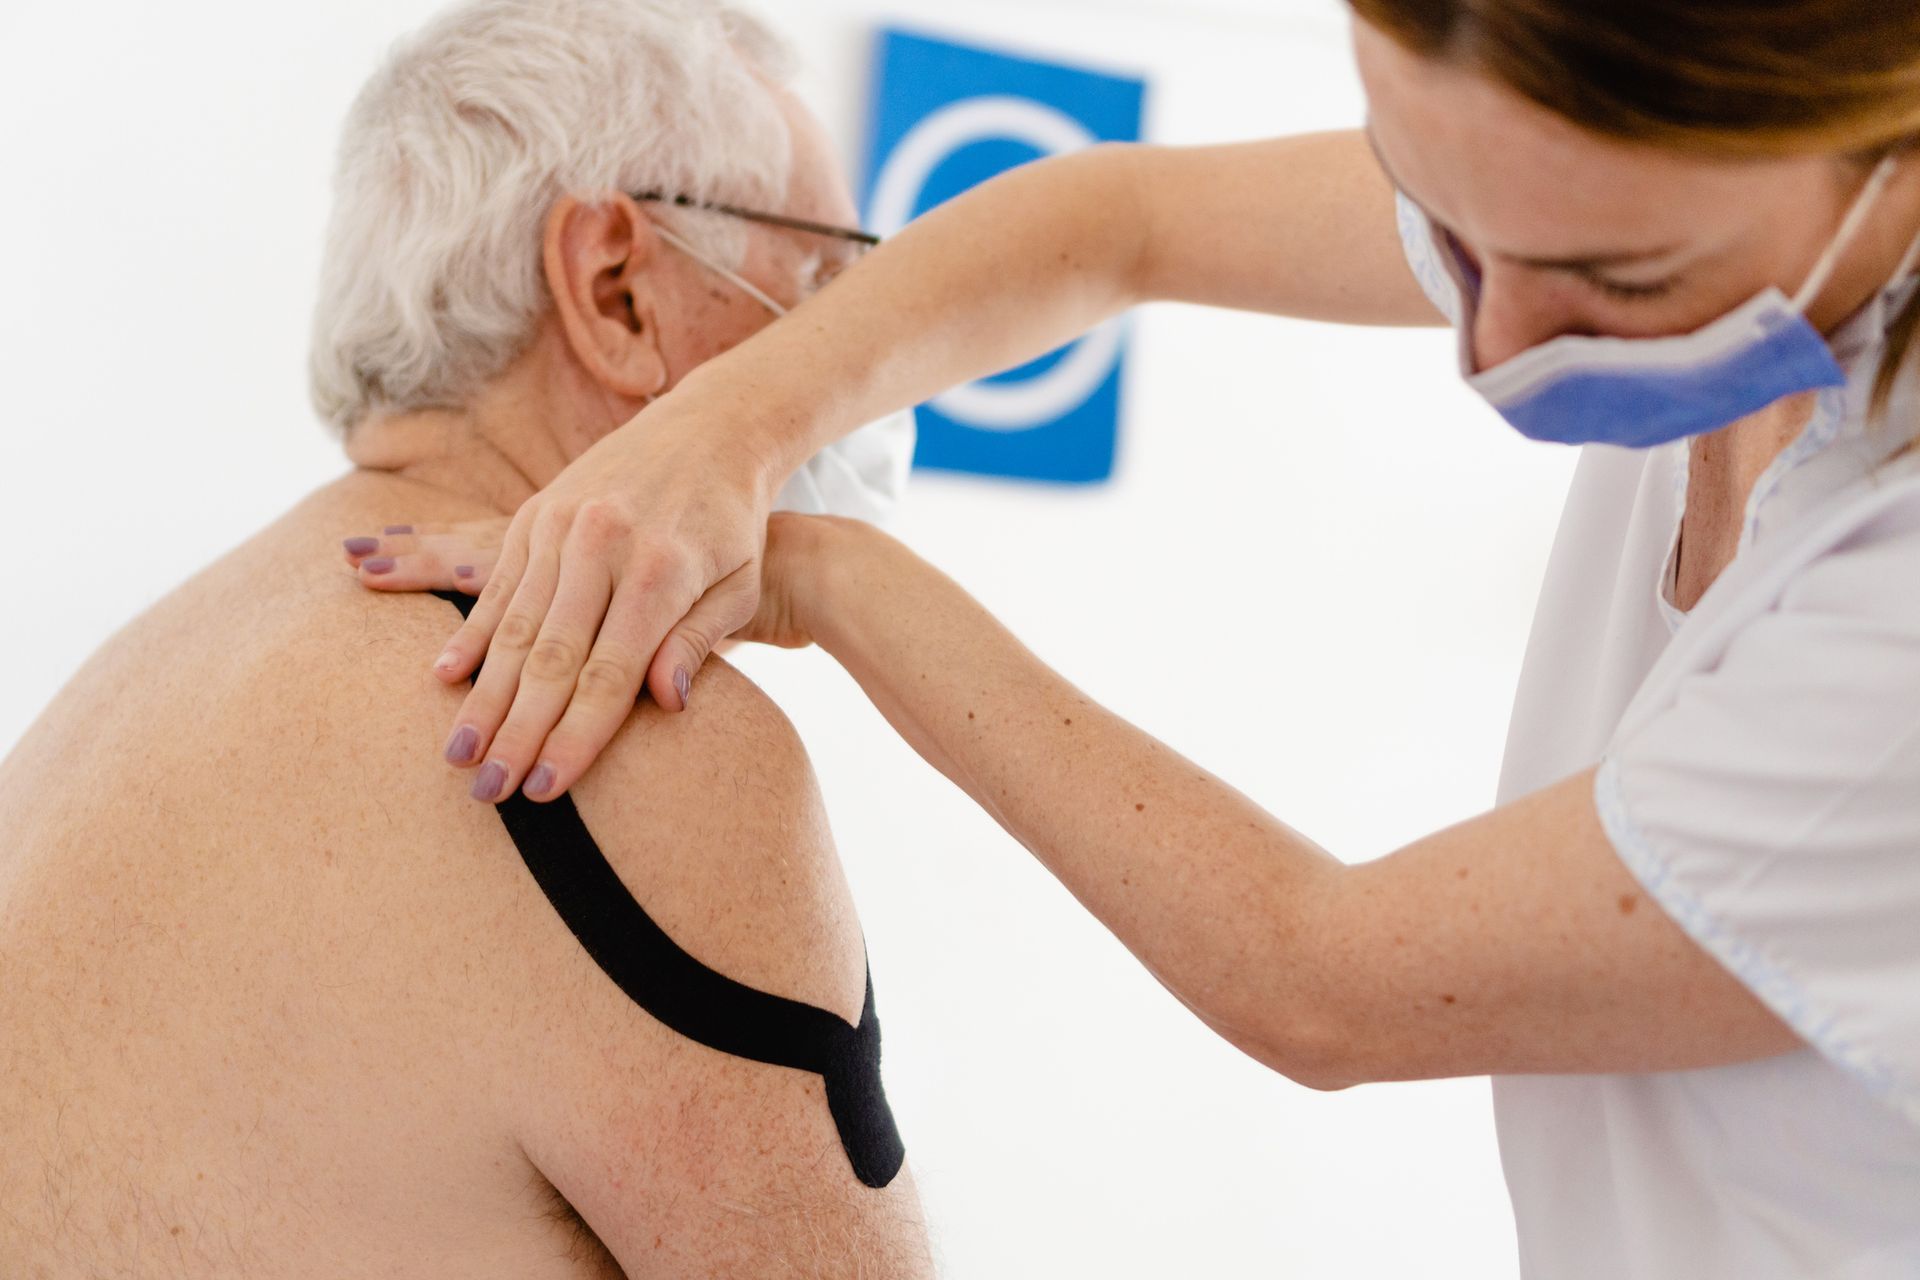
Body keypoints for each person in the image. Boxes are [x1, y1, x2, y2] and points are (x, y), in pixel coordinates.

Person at [354, 1, 1920, 1275]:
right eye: (1447, 236)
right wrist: (737, 428)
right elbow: (1118, 216)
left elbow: (1329, 981)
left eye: (1604, 282)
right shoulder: (1566, 132)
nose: (1485, 347)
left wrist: (830, 576)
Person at [0, 1, 933, 1273]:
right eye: (823, 281)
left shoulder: (115, 700)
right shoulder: (610, 741)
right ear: (617, 292)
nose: (856, 367)